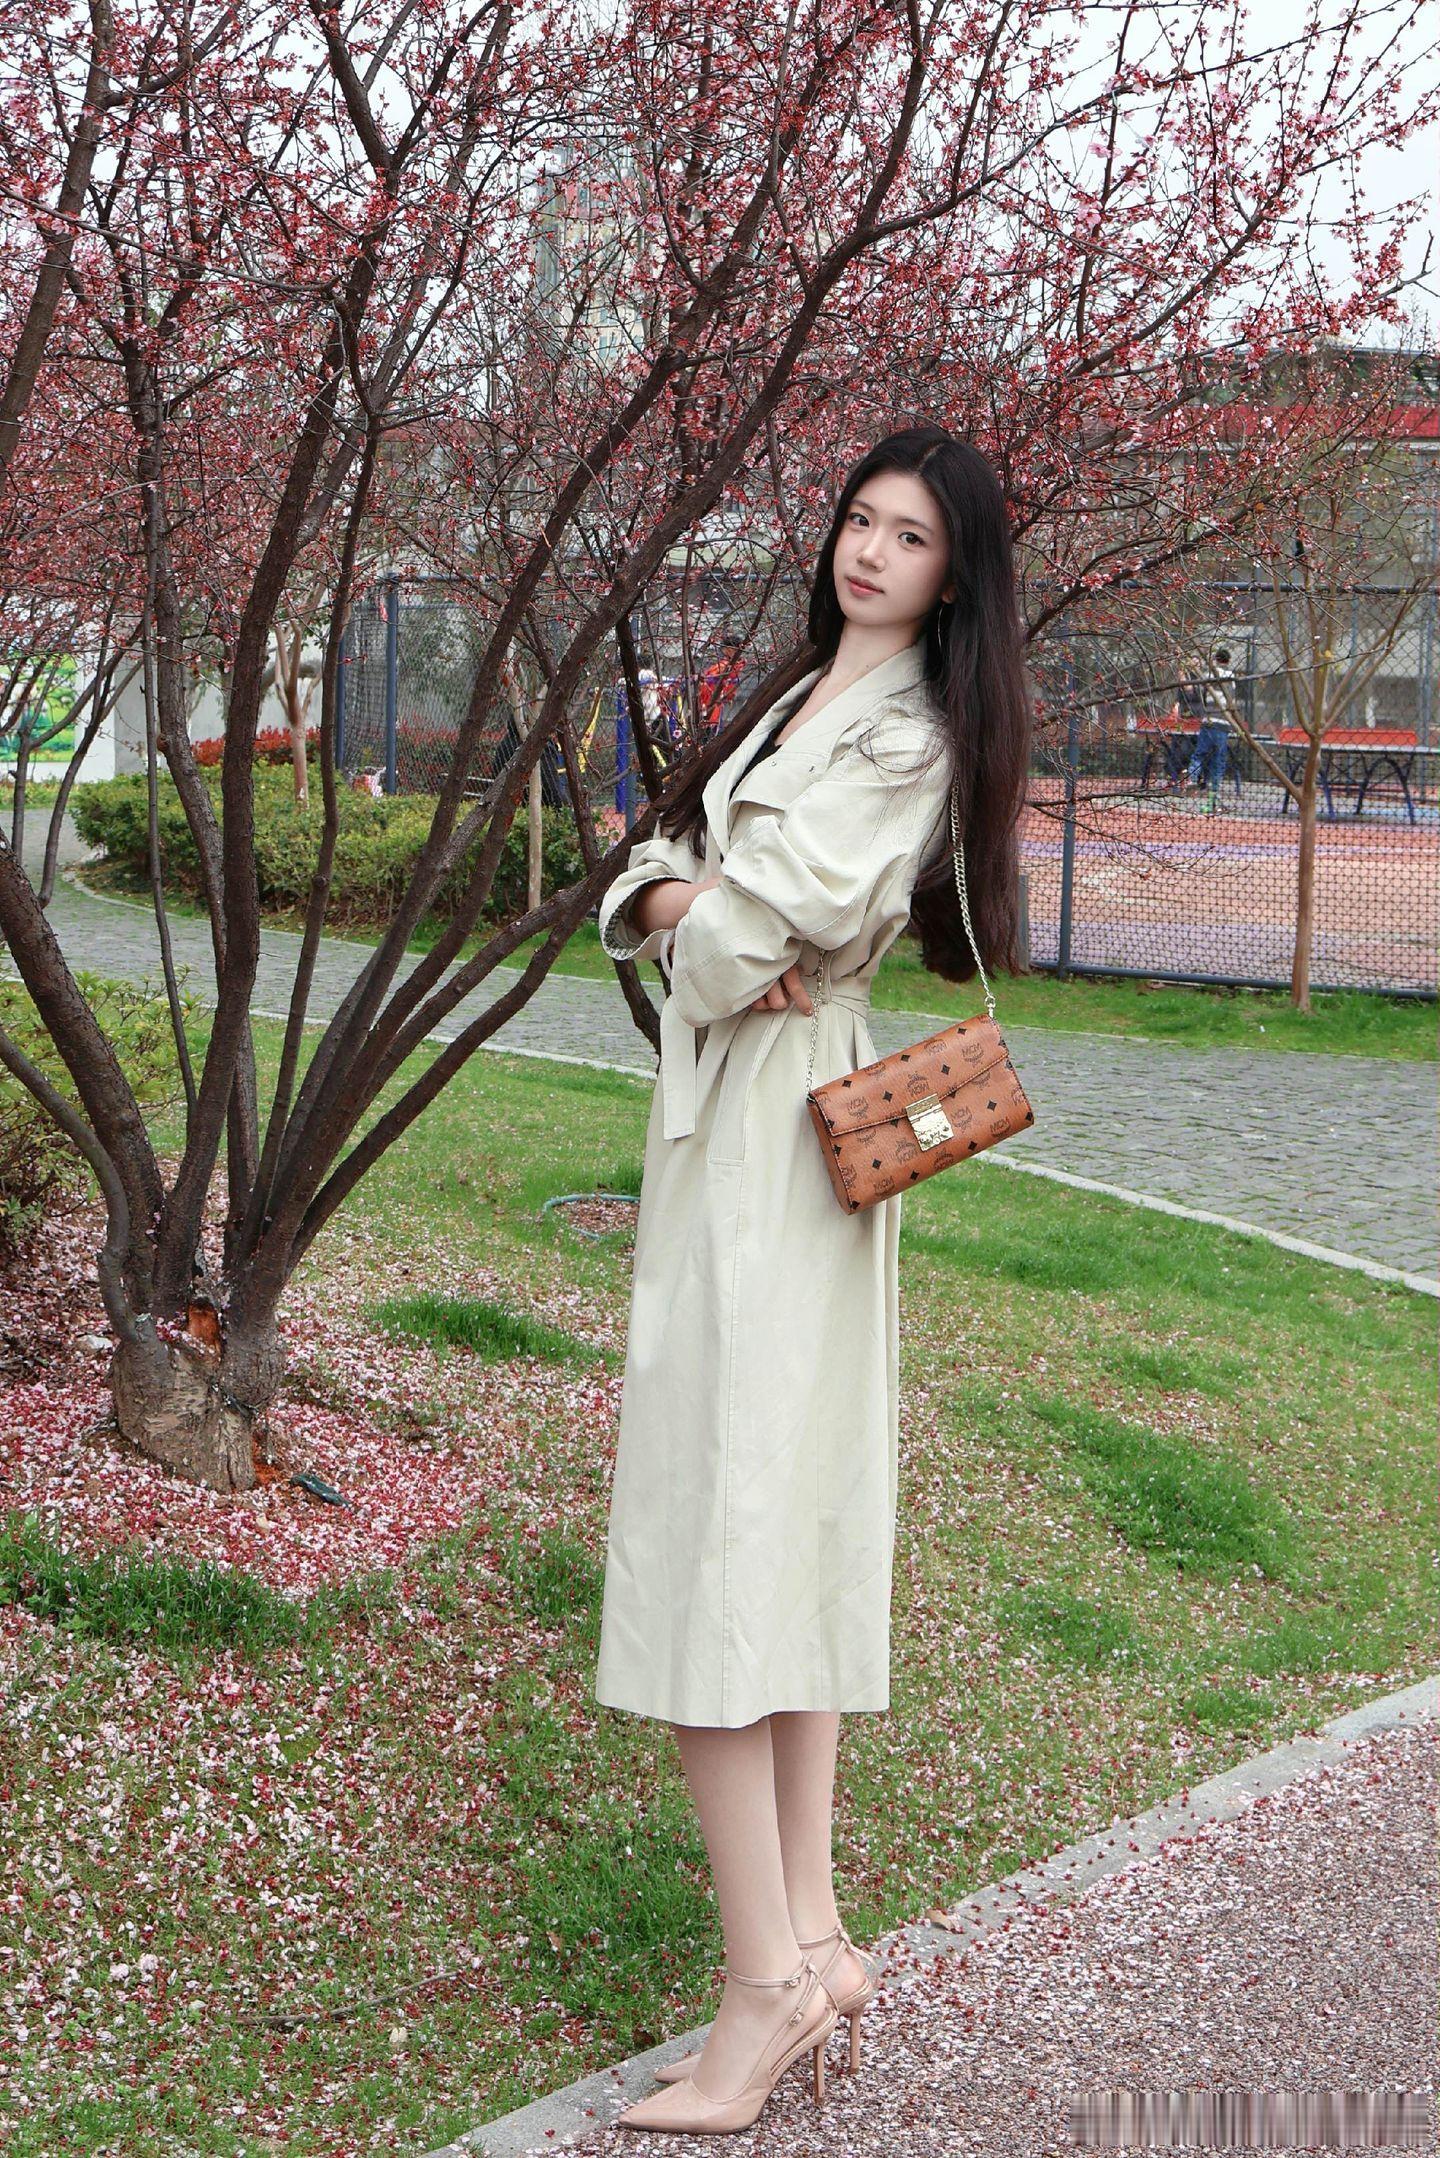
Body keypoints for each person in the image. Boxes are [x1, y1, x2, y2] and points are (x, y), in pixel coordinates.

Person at [592, 424, 1032, 2135]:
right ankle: (820, 1940)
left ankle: (762, 1984)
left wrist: (696, 914)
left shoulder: (908, 731)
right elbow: (650, 883)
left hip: (786, 1149)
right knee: (761, 1517)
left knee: (724, 1528)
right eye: (859, 517)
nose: (869, 550)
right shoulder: (792, 696)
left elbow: (735, 937)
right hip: (739, 1130)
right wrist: (682, 905)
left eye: (909, 534)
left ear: (954, 574)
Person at [1181, 645, 1237, 808]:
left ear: (1215, 659)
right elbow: (1232, 700)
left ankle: (1192, 779)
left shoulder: (1208, 675)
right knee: (1218, 761)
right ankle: (1214, 794)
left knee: (1199, 754)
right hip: (1223, 723)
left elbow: (1196, 693)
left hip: (1209, 721)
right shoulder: (1231, 677)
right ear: (1228, 661)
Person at [697, 636, 746, 731]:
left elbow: (708, 681)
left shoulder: (726, 666)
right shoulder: (733, 666)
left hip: (711, 702)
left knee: (710, 727)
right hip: (714, 702)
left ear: (729, 649)